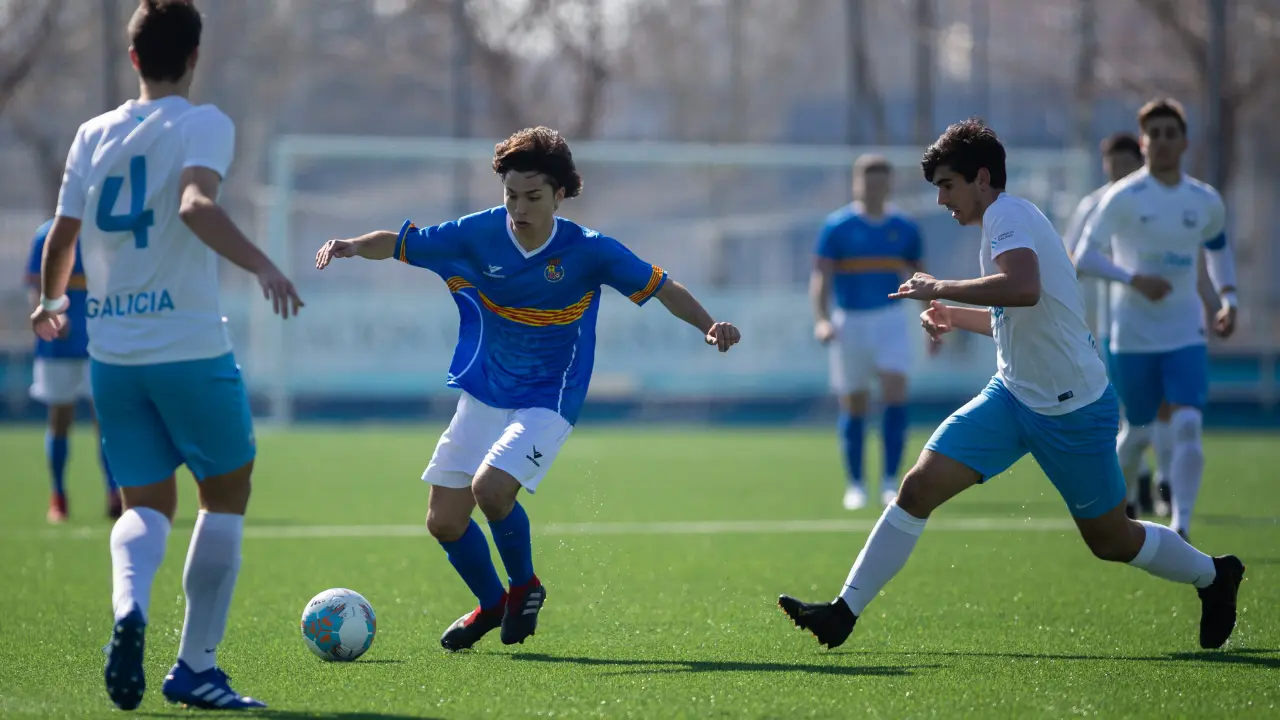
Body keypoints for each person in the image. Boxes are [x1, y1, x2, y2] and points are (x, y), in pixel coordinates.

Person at [777, 118, 1243, 652]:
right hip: (1012, 395)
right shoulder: (1001, 222)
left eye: (947, 186)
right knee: (918, 488)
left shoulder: (1007, 214)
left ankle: (1214, 575)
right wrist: (954, 314)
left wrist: (940, 287)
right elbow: (1016, 309)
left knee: (1111, 539)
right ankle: (843, 612)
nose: (941, 200)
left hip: (1072, 409)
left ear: (981, 178)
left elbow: (1023, 288)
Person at [315, 125, 741, 652]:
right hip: (485, 391)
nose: (519, 208)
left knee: (491, 489)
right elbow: (403, 244)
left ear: (559, 195)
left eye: (533, 197)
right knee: (443, 522)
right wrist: (352, 246)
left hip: (549, 398)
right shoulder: (478, 233)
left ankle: (525, 587)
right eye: (510, 195)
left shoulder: (589, 251)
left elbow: (663, 288)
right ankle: (492, 604)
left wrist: (708, 324)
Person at [30, 0, 301, 710]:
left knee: (145, 503)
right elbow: (194, 205)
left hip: (113, 354)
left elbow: (62, 235)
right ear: (194, 57)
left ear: (133, 58)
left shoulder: (93, 133)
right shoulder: (203, 123)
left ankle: (129, 608)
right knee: (226, 494)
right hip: (187, 345)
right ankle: (195, 667)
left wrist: (53, 303)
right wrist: (264, 265)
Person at [1073, 99, 1239, 542]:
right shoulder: (1122, 197)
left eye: (1171, 133)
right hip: (1132, 334)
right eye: (1155, 134)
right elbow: (1084, 257)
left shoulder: (1204, 200)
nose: (1163, 141)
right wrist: (1134, 279)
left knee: (1187, 424)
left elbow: (1218, 250)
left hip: (1186, 331)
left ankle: (1180, 523)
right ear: (1143, 143)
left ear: (1185, 142)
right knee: (1139, 431)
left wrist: (1228, 298)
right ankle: (1118, 501)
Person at [811, 155, 929, 510]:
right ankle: (856, 485)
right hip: (850, 322)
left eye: (880, 182)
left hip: (891, 320)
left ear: (889, 184)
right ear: (856, 184)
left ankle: (891, 481)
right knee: (855, 402)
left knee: (895, 393)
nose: (874, 188)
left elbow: (922, 277)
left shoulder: (904, 227)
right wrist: (822, 319)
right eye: (867, 181)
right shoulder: (837, 227)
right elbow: (821, 278)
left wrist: (931, 317)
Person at [1063, 132, 1169, 519]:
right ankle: (1139, 485)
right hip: (1109, 323)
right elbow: (1072, 258)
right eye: (1113, 165)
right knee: (1124, 407)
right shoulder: (1093, 205)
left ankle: (1164, 485)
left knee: (1165, 407)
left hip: (1160, 320)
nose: (1120, 172)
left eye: (1127, 164)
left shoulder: (1156, 201)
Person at [24, 219, 120, 523]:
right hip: (58, 346)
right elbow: (34, 287)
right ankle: (58, 494)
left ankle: (114, 492)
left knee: (105, 420)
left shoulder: (104, 232)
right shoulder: (46, 235)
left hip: (100, 342)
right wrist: (50, 316)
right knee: (60, 420)